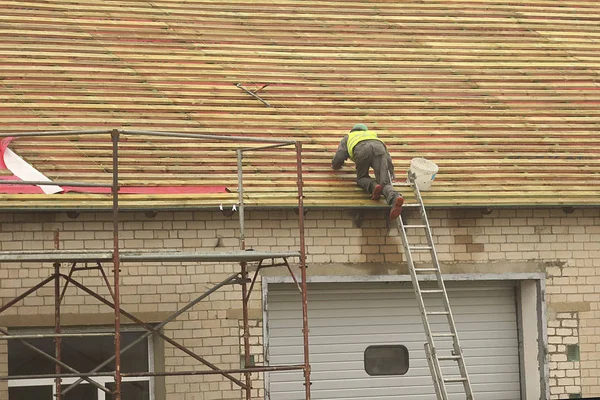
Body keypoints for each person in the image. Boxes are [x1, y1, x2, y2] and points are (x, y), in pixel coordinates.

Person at [331, 124, 404, 219]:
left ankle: (373, 187)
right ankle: (395, 198)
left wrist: (335, 165)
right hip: (380, 149)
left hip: (362, 150)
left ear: (353, 130)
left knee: (362, 178)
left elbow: (340, 156)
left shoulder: (349, 137)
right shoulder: (373, 134)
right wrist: (390, 171)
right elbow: (387, 156)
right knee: (384, 182)